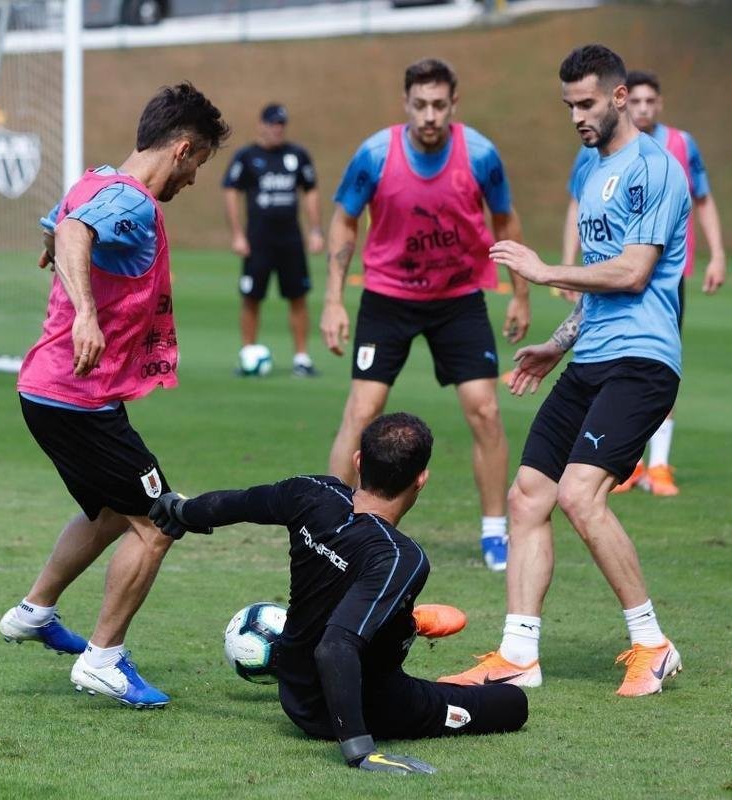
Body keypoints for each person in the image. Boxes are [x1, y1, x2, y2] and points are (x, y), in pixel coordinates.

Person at [438, 45, 689, 697]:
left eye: (585, 103)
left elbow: (632, 272)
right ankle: (519, 655)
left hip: (642, 360)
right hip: (591, 355)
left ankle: (651, 644)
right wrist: (557, 343)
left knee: (580, 493)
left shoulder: (654, 168)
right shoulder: (588, 165)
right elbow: (601, 284)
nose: (576, 116)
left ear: (616, 96)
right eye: (567, 105)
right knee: (527, 495)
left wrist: (545, 271)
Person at [0, 82, 230, 708]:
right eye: (200, 163)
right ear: (181, 150)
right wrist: (85, 314)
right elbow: (73, 233)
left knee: (107, 513)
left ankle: (35, 611)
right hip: (77, 396)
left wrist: (57, 259)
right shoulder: (129, 203)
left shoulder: (95, 179)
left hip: (51, 392)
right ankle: (103, 660)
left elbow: (59, 226)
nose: (194, 179)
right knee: (158, 524)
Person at [149, 412, 528, 773]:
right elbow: (335, 647)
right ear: (421, 479)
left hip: (294, 691)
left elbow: (241, 502)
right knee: (512, 704)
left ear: (359, 460)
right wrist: (359, 750)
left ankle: (411, 630)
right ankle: (436, 677)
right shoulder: (400, 556)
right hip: (361, 707)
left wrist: (182, 510)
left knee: (380, 625)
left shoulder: (311, 492)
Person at [319, 58, 531, 572]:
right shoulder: (374, 154)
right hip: (388, 296)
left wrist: (520, 293)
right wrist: (332, 300)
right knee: (363, 409)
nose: (430, 115)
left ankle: (494, 531)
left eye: (439, 105)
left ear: (453, 105)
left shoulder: (480, 155)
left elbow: (506, 219)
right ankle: (332, 524)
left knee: (485, 408)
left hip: (458, 298)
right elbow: (344, 221)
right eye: (420, 105)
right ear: (405, 104)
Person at [562, 69, 726, 496]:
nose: (643, 108)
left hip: (660, 279)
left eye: (650, 101)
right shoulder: (594, 149)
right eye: (636, 101)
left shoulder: (679, 147)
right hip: (605, 278)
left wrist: (717, 254)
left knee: (657, 358)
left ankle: (660, 465)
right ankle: (629, 463)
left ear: (660, 103)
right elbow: (577, 204)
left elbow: (703, 200)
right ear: (622, 101)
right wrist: (566, 261)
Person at [223, 103, 324, 377]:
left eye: (281, 124)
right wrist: (237, 234)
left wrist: (315, 230)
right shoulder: (246, 157)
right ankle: (248, 354)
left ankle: (302, 358)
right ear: (261, 125)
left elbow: (311, 191)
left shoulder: (297, 156)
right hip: (258, 240)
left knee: (298, 296)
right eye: (272, 124)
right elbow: (231, 192)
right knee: (251, 297)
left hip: (290, 239)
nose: (277, 129)